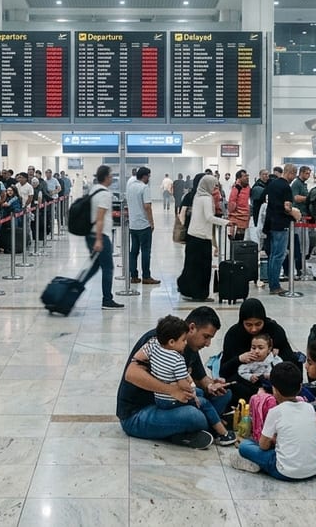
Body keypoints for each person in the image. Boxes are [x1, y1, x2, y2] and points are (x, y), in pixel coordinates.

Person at [117, 306, 230, 448]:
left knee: (223, 395)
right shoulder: (160, 340)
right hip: (138, 413)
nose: (208, 344)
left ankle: (199, 428)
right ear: (192, 328)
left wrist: (211, 385)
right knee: (195, 416)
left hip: (169, 404)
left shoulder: (188, 346)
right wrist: (171, 390)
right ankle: (203, 427)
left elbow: (200, 378)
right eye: (206, 337)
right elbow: (131, 374)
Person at [230, 362, 316, 480]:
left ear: (274, 389)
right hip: (313, 469)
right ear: (300, 387)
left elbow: (263, 446)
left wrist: (272, 441)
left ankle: (258, 464)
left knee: (245, 446)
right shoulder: (309, 407)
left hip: (285, 472)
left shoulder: (275, 411)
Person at [219, 298, 300, 405]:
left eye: (258, 324)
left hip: (272, 379)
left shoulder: (274, 330)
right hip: (246, 380)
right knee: (231, 385)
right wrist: (239, 359)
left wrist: (272, 359)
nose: (253, 329)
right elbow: (224, 371)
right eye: (248, 325)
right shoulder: (234, 334)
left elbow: (290, 360)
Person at [177, 174, 232, 301]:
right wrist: (226, 222)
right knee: (203, 269)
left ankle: (190, 291)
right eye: (214, 185)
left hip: (192, 236)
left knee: (192, 267)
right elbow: (208, 217)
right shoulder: (207, 198)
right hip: (202, 238)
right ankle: (200, 295)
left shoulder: (197, 196)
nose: (215, 188)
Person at [86, 165, 124, 310]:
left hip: (92, 233)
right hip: (100, 235)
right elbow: (100, 217)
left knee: (94, 267)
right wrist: (99, 239)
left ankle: (71, 291)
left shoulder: (94, 190)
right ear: (106, 177)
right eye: (111, 175)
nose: (112, 177)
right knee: (108, 268)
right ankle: (107, 299)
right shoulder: (105, 194)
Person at [264, 164, 300, 294]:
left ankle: (272, 283)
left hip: (271, 223)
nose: (294, 177)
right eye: (294, 174)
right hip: (281, 224)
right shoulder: (286, 187)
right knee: (279, 255)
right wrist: (294, 213)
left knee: (273, 255)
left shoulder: (272, 184)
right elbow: (287, 207)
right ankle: (275, 286)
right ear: (290, 172)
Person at [126, 166, 159, 285]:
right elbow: (147, 207)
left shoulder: (130, 187)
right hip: (144, 225)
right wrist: (151, 222)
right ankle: (146, 276)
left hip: (133, 225)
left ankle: (133, 276)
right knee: (146, 251)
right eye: (149, 176)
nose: (149, 178)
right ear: (144, 176)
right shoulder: (144, 188)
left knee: (133, 251)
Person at [227, 170, 251, 238]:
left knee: (241, 242)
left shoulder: (248, 187)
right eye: (245, 176)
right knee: (235, 242)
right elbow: (231, 206)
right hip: (236, 220)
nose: (247, 177)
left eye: (247, 176)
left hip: (244, 219)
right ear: (239, 178)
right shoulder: (236, 188)